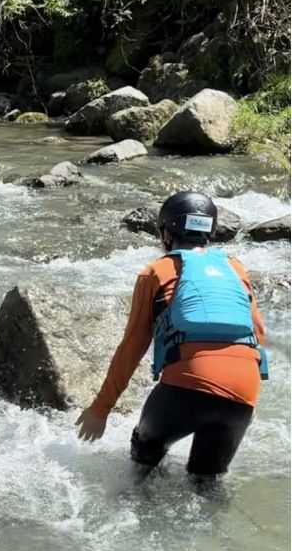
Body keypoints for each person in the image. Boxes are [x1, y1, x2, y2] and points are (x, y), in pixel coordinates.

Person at [75, 191, 268, 480]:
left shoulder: (156, 271)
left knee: (144, 459)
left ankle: (133, 510)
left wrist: (100, 410)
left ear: (167, 233)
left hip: (185, 388)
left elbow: (132, 347)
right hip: (243, 393)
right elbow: (259, 334)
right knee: (206, 485)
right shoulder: (235, 268)